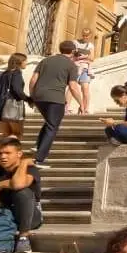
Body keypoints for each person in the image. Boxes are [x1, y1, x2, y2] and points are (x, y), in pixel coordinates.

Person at [0, 138, 41, 253]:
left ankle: (23, 238)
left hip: (30, 216)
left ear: (19, 154)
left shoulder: (30, 169)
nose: (2, 156)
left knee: (23, 192)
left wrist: (24, 162)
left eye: (7, 153)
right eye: (1, 153)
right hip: (5, 213)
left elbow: (18, 185)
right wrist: (0, 185)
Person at [28, 40, 81, 169]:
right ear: (73, 51)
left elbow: (33, 79)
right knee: (52, 126)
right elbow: (73, 87)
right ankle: (40, 159)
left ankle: (38, 146)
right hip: (56, 98)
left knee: (49, 122)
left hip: (39, 97)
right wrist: (82, 103)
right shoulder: (71, 65)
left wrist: (32, 96)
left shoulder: (45, 60)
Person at [0, 52, 28, 142]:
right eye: (25, 61)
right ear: (19, 62)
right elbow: (17, 90)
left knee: (6, 134)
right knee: (17, 133)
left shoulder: (4, 74)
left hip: (1, 106)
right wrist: (28, 99)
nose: (26, 63)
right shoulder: (17, 73)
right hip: (13, 106)